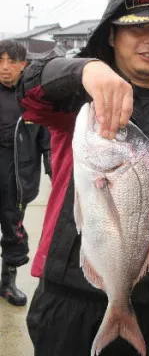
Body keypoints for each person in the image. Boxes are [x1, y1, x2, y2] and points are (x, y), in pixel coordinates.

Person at [18, 0, 149, 356]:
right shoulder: (80, 95)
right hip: (66, 299)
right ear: (111, 35)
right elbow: (27, 89)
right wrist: (84, 70)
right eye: (137, 27)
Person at [0, 40, 51, 306]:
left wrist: (56, 174)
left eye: (11, 61)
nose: (5, 68)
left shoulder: (34, 98)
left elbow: (48, 142)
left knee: (13, 227)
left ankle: (7, 283)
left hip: (17, 173)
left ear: (24, 65)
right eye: (0, 61)